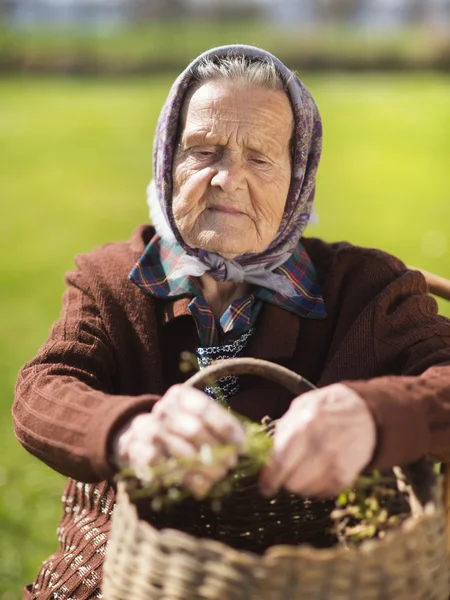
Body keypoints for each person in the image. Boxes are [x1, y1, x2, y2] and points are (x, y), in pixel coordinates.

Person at [13, 44, 450, 600]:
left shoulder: (366, 290)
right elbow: (43, 388)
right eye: (204, 150)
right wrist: (129, 430)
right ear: (167, 161)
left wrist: (374, 414)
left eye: (261, 157)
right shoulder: (110, 280)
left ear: (300, 178)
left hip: (311, 581)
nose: (227, 179)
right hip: (126, 573)